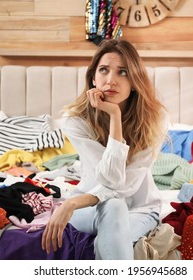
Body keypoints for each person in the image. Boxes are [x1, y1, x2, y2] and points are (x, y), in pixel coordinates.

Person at [41, 39, 169, 260]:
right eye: (104, 70)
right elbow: (111, 181)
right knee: (114, 210)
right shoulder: (76, 121)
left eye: (123, 72)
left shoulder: (154, 120)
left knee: (115, 209)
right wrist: (75, 204)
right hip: (87, 210)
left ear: (135, 81)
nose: (111, 80)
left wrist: (115, 116)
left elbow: (122, 186)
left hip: (140, 210)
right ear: (93, 78)